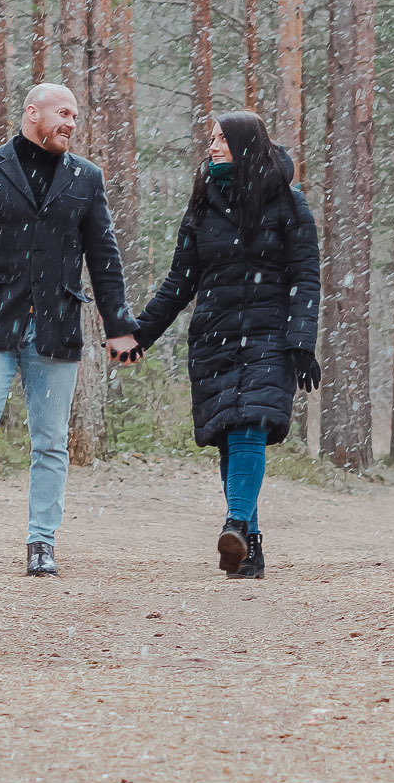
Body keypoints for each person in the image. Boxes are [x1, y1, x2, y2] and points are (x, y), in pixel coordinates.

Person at [0, 82, 142, 576]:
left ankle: (41, 543)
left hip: (56, 328)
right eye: (63, 113)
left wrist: (119, 325)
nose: (71, 123)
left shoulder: (86, 178)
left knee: (51, 440)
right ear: (33, 113)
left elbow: (104, 257)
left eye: (75, 115)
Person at [124, 111, 320, 579]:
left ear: (246, 146)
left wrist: (301, 342)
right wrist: (141, 334)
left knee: (251, 423)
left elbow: (306, 277)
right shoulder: (203, 205)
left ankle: (234, 522)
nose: (211, 147)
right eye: (210, 140)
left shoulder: (291, 206)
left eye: (220, 141)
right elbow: (180, 281)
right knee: (228, 435)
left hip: (270, 337)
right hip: (214, 336)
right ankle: (248, 544)